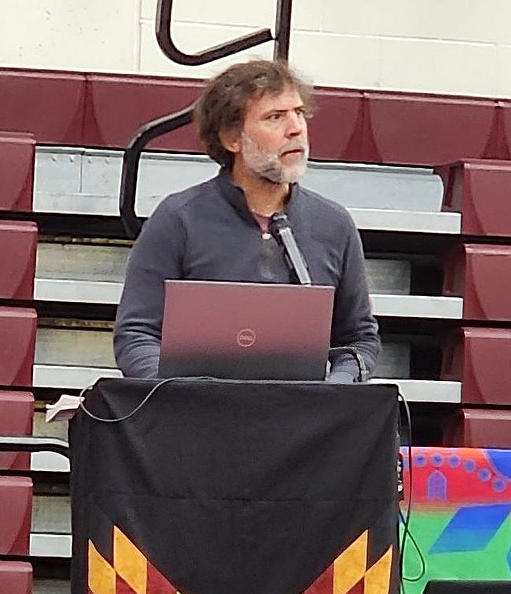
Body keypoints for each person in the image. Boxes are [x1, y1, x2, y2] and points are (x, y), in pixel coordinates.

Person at [113, 59, 381, 383]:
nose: (295, 128)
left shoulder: (334, 224)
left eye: (299, 113)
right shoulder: (178, 219)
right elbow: (136, 333)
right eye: (275, 117)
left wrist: (334, 389)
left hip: (302, 419)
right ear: (232, 139)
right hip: (200, 419)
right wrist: (180, 392)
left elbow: (359, 341)